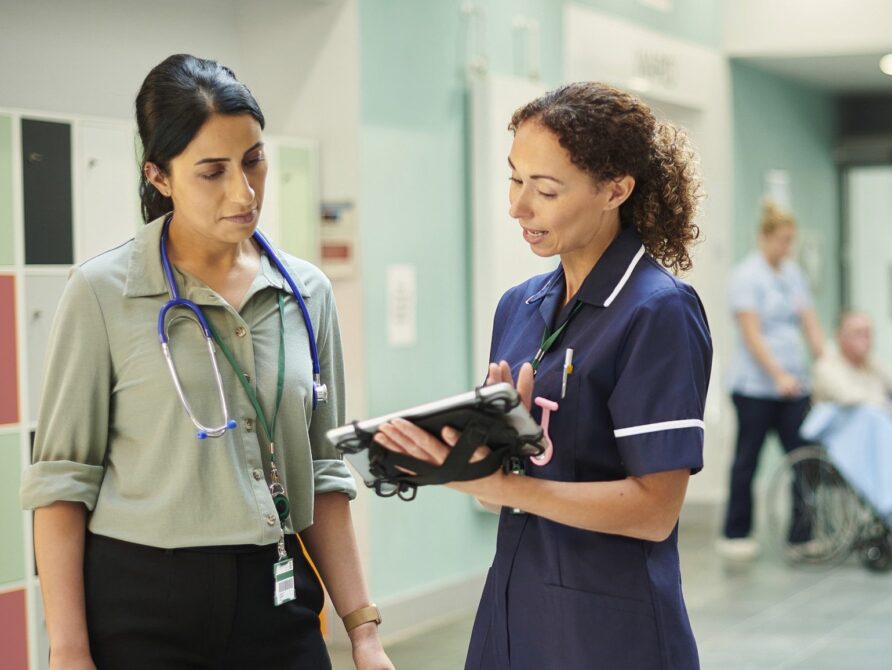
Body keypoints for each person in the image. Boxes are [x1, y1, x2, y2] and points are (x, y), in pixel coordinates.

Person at [20, 54, 392, 670]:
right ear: (159, 176)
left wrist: (363, 631)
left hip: (278, 593)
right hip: (144, 605)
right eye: (212, 172)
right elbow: (62, 484)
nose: (243, 193)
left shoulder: (307, 292)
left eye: (253, 160)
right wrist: (69, 649)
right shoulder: (102, 293)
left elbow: (324, 472)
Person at [373, 83, 712, 669]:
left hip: (609, 627)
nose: (518, 207)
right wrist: (478, 455)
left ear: (616, 190)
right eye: (514, 179)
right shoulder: (520, 305)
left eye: (545, 189)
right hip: (515, 606)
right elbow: (500, 495)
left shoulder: (658, 310)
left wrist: (504, 487)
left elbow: (656, 511)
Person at [718, 200, 824, 561]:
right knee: (748, 458)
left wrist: (824, 363)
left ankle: (802, 534)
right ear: (764, 237)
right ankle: (736, 533)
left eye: (790, 240)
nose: (787, 247)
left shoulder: (792, 274)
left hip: (794, 385)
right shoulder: (747, 276)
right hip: (756, 388)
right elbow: (752, 334)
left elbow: (808, 321)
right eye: (782, 239)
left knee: (805, 457)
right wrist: (778, 375)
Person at [813, 311, 892, 409]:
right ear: (840, 336)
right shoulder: (826, 367)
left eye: (868, 334)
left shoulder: (873, 363)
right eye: (858, 333)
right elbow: (852, 400)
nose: (865, 339)